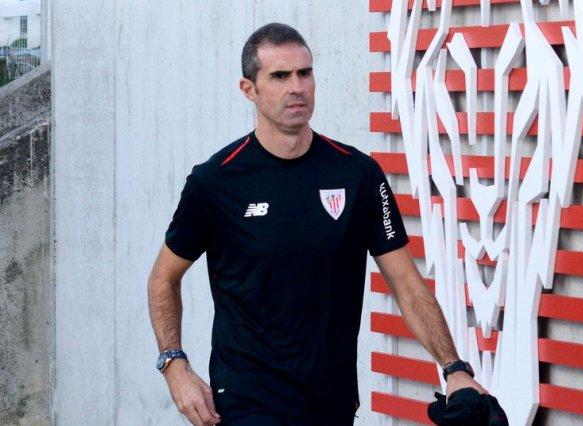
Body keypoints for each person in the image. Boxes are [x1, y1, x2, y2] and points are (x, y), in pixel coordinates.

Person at [148, 23, 485, 426]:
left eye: (304, 73)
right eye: (280, 76)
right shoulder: (215, 182)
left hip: (333, 403)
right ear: (248, 89)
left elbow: (406, 283)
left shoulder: (357, 174)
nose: (297, 87)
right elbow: (163, 278)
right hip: (247, 402)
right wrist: (174, 365)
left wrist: (454, 368)